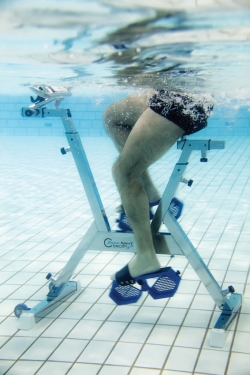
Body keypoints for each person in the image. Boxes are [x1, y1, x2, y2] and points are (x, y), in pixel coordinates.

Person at [103, 89, 214, 285]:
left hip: (180, 100)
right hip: (175, 96)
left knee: (124, 172)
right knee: (112, 117)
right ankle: (150, 193)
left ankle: (146, 256)